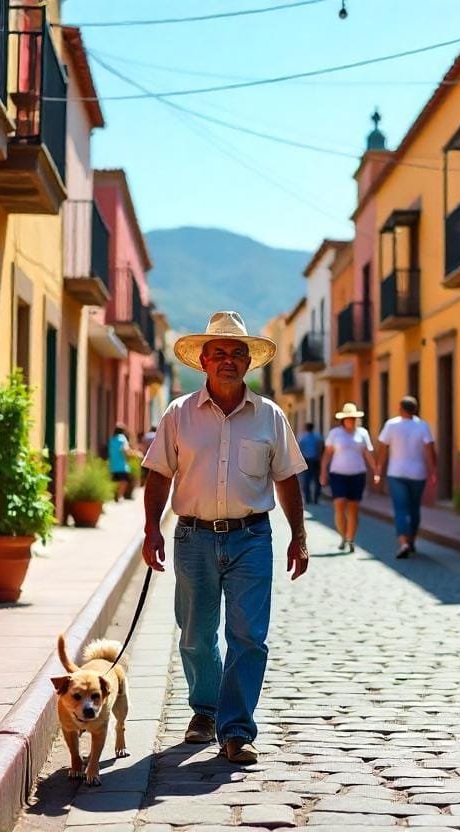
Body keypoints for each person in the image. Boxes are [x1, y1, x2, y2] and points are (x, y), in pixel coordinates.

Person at [141, 311, 309, 765]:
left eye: (238, 353)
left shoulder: (270, 416)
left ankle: (235, 730)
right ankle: (205, 709)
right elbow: (157, 473)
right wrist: (150, 527)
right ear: (203, 361)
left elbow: (288, 478)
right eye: (219, 353)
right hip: (192, 537)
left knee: (248, 636)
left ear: (249, 363)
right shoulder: (179, 414)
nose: (228, 360)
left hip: (251, 537)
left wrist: (299, 534)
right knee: (195, 636)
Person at [374, 396, 436, 559]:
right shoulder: (423, 426)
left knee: (400, 509)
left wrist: (378, 469)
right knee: (414, 508)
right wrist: (433, 472)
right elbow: (430, 450)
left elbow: (382, 448)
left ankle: (404, 543)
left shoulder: (391, 425)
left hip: (396, 473)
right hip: (418, 473)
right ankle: (412, 540)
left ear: (401, 408)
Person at [320, 403, 377, 553]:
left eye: (353, 418)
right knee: (339, 504)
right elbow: (327, 454)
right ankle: (342, 536)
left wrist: (376, 470)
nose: (351, 421)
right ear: (343, 420)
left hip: (357, 474)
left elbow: (367, 454)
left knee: (353, 509)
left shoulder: (362, 433)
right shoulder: (335, 434)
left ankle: (351, 538)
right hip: (338, 474)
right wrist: (323, 472)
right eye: (348, 418)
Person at [297, 422, 324, 506]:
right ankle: (316, 498)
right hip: (316, 460)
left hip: (306, 461)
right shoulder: (318, 437)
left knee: (306, 480)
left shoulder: (302, 438)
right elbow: (322, 447)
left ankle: (308, 499)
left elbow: (299, 450)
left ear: (306, 428)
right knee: (317, 480)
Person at [108, 424, 132, 501]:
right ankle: (119, 496)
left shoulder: (112, 439)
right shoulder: (122, 438)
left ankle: (115, 495)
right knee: (124, 481)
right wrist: (128, 457)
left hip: (113, 464)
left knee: (115, 481)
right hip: (122, 464)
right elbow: (125, 450)